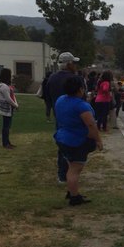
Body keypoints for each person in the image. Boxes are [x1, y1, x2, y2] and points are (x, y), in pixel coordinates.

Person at [53, 76, 104, 207]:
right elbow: (91, 125)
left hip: (62, 137)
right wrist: (98, 140)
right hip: (75, 141)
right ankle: (74, 197)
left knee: (71, 166)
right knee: (75, 169)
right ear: (81, 89)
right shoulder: (81, 106)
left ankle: (72, 191)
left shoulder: (60, 99)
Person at [0, 68, 18, 149]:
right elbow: (8, 99)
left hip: (9, 108)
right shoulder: (3, 86)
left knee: (7, 126)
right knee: (6, 127)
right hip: (6, 108)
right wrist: (15, 105)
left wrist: (15, 104)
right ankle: (5, 143)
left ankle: (7, 142)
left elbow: (12, 96)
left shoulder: (6, 85)